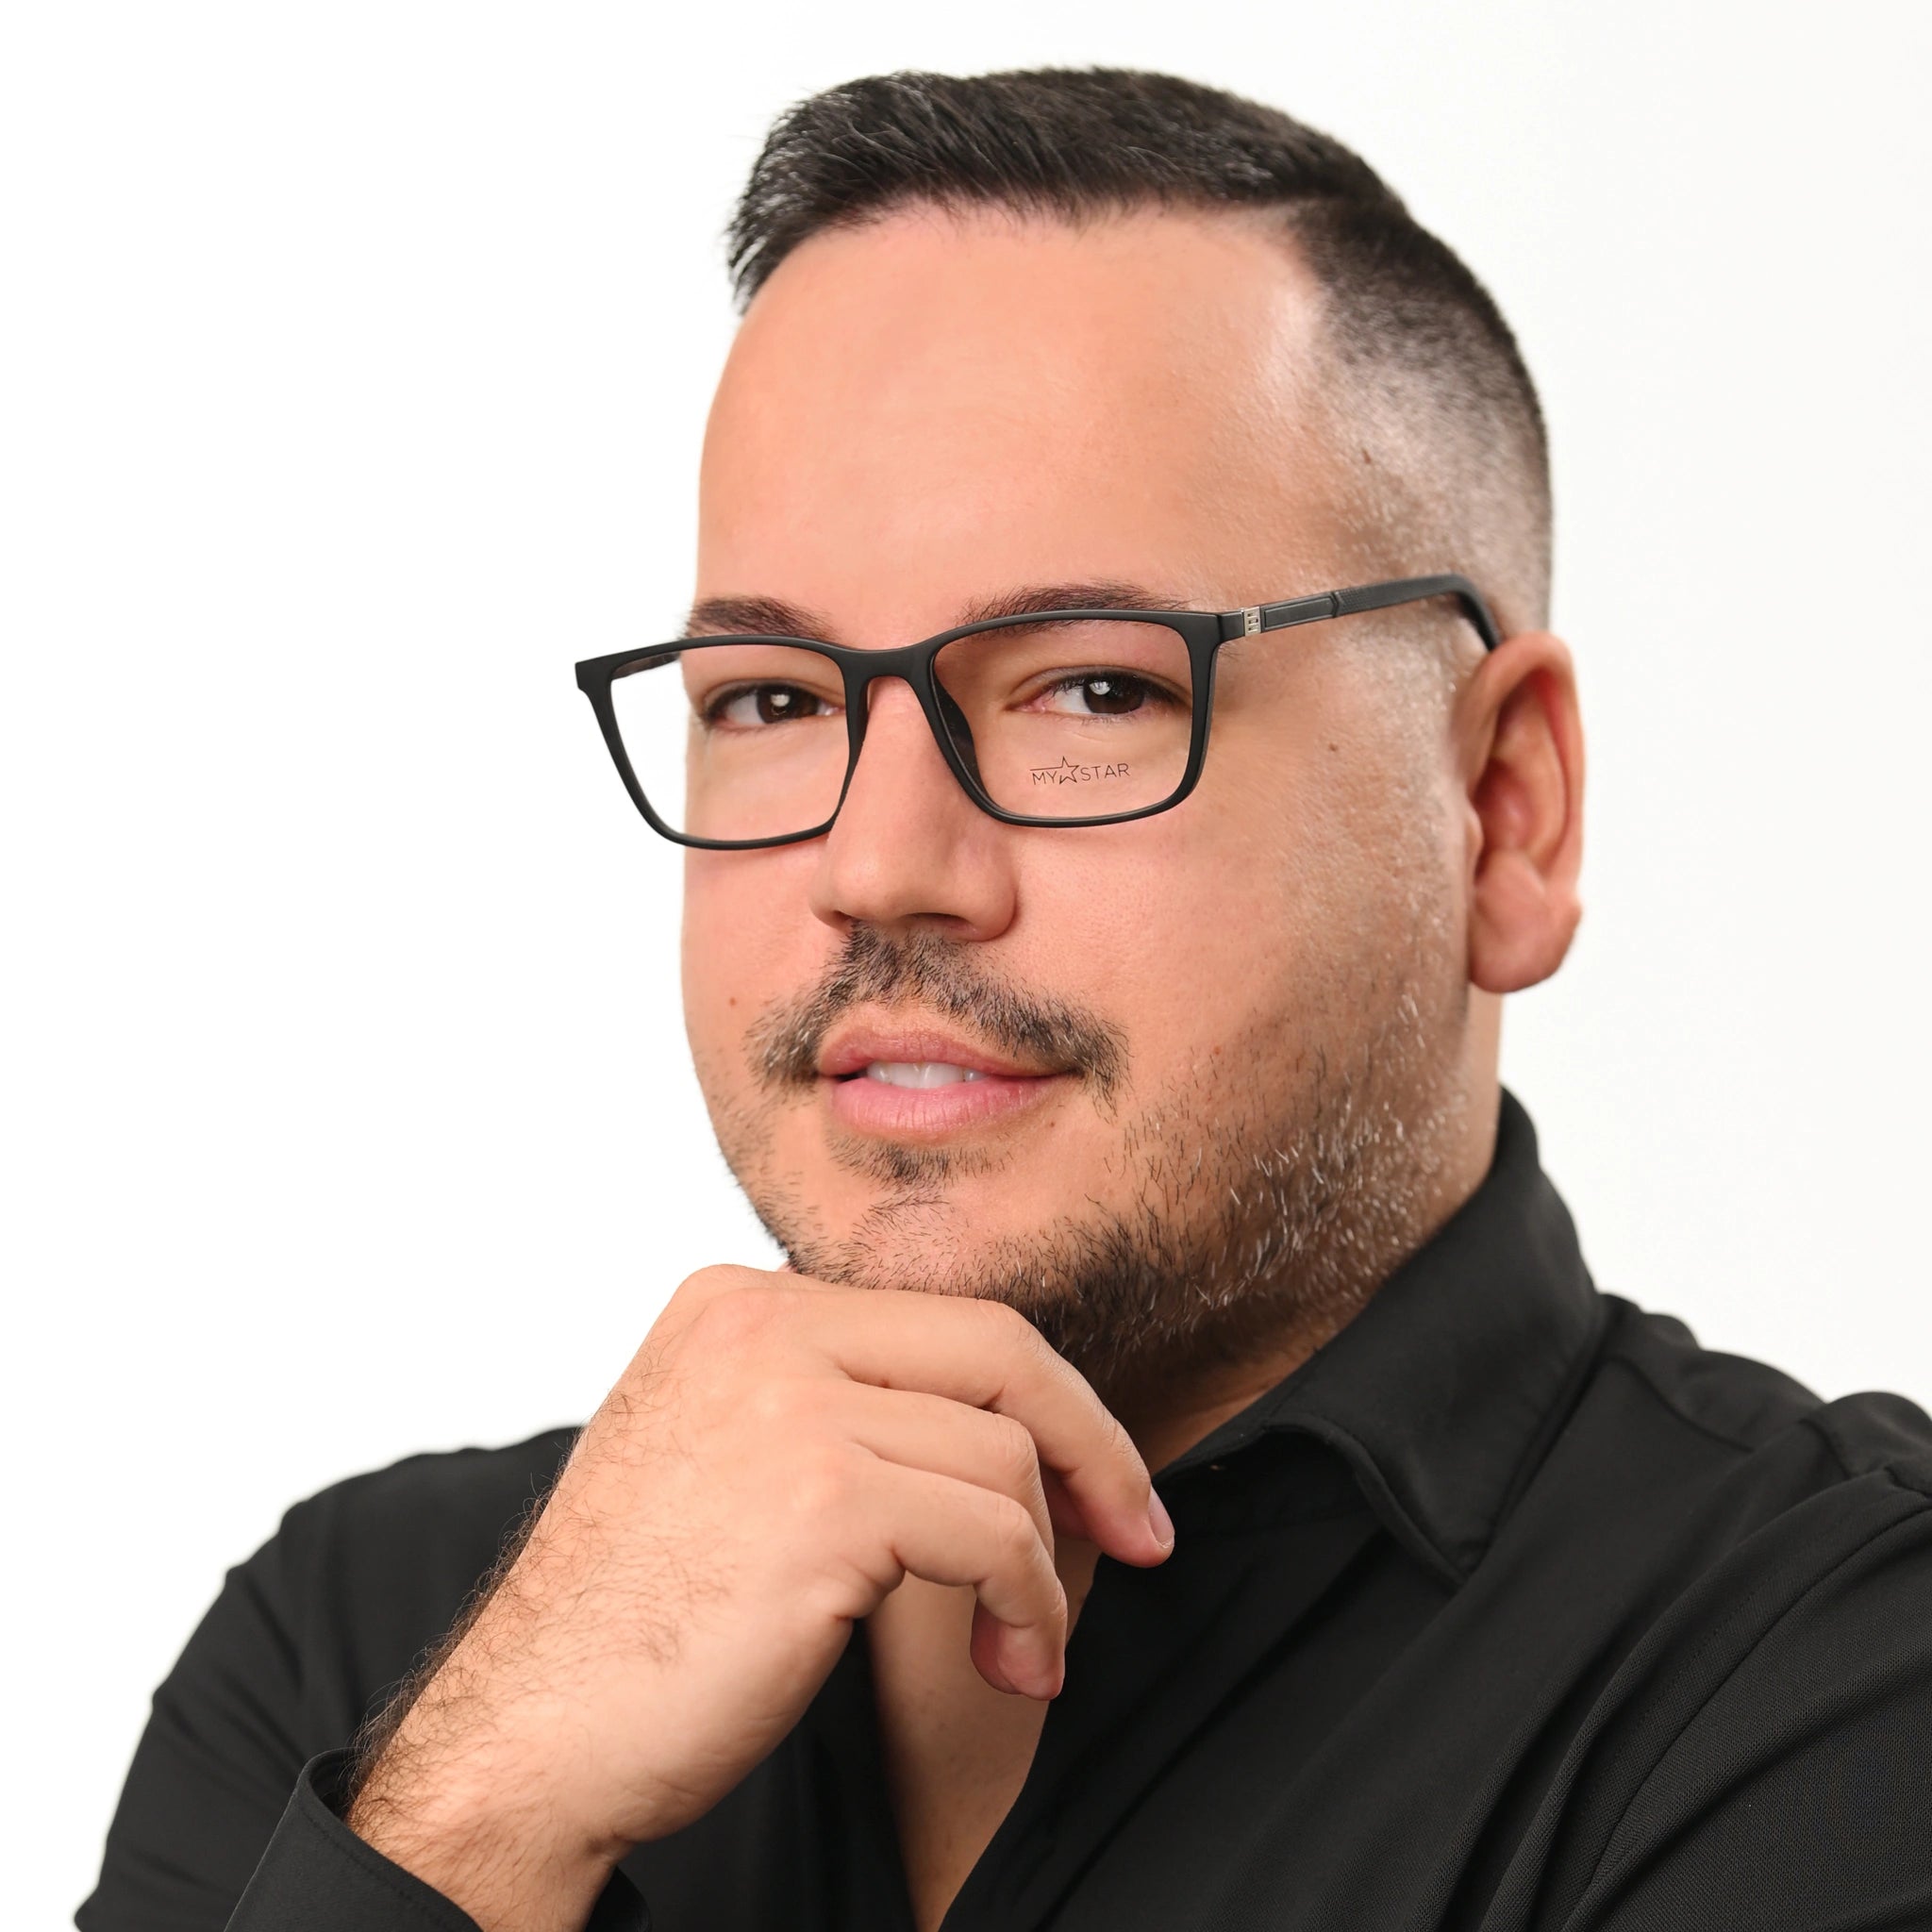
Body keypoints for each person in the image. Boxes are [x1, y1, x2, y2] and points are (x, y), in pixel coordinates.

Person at [80, 66, 1932, 1932]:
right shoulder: (366, 1662)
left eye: (1091, 690)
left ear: (1501, 811)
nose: (877, 864)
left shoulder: (1845, 1674)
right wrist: (471, 1829)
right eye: (773, 700)